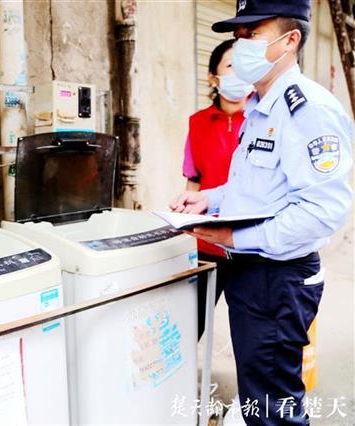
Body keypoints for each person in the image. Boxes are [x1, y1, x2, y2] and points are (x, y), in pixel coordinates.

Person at [170, 1, 353, 424]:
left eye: (252, 33)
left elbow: (322, 210)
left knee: (274, 409)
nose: (241, 44)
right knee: (260, 398)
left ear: (290, 40)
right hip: (253, 275)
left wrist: (235, 238)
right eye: (238, 35)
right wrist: (209, 200)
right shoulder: (261, 108)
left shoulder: (308, 110)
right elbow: (256, 187)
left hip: (278, 277)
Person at [182, 38, 253, 339]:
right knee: (191, 321)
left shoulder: (260, 119)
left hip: (249, 241)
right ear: (214, 77)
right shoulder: (198, 123)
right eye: (230, 67)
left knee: (250, 330)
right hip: (207, 243)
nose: (240, 75)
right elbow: (193, 180)